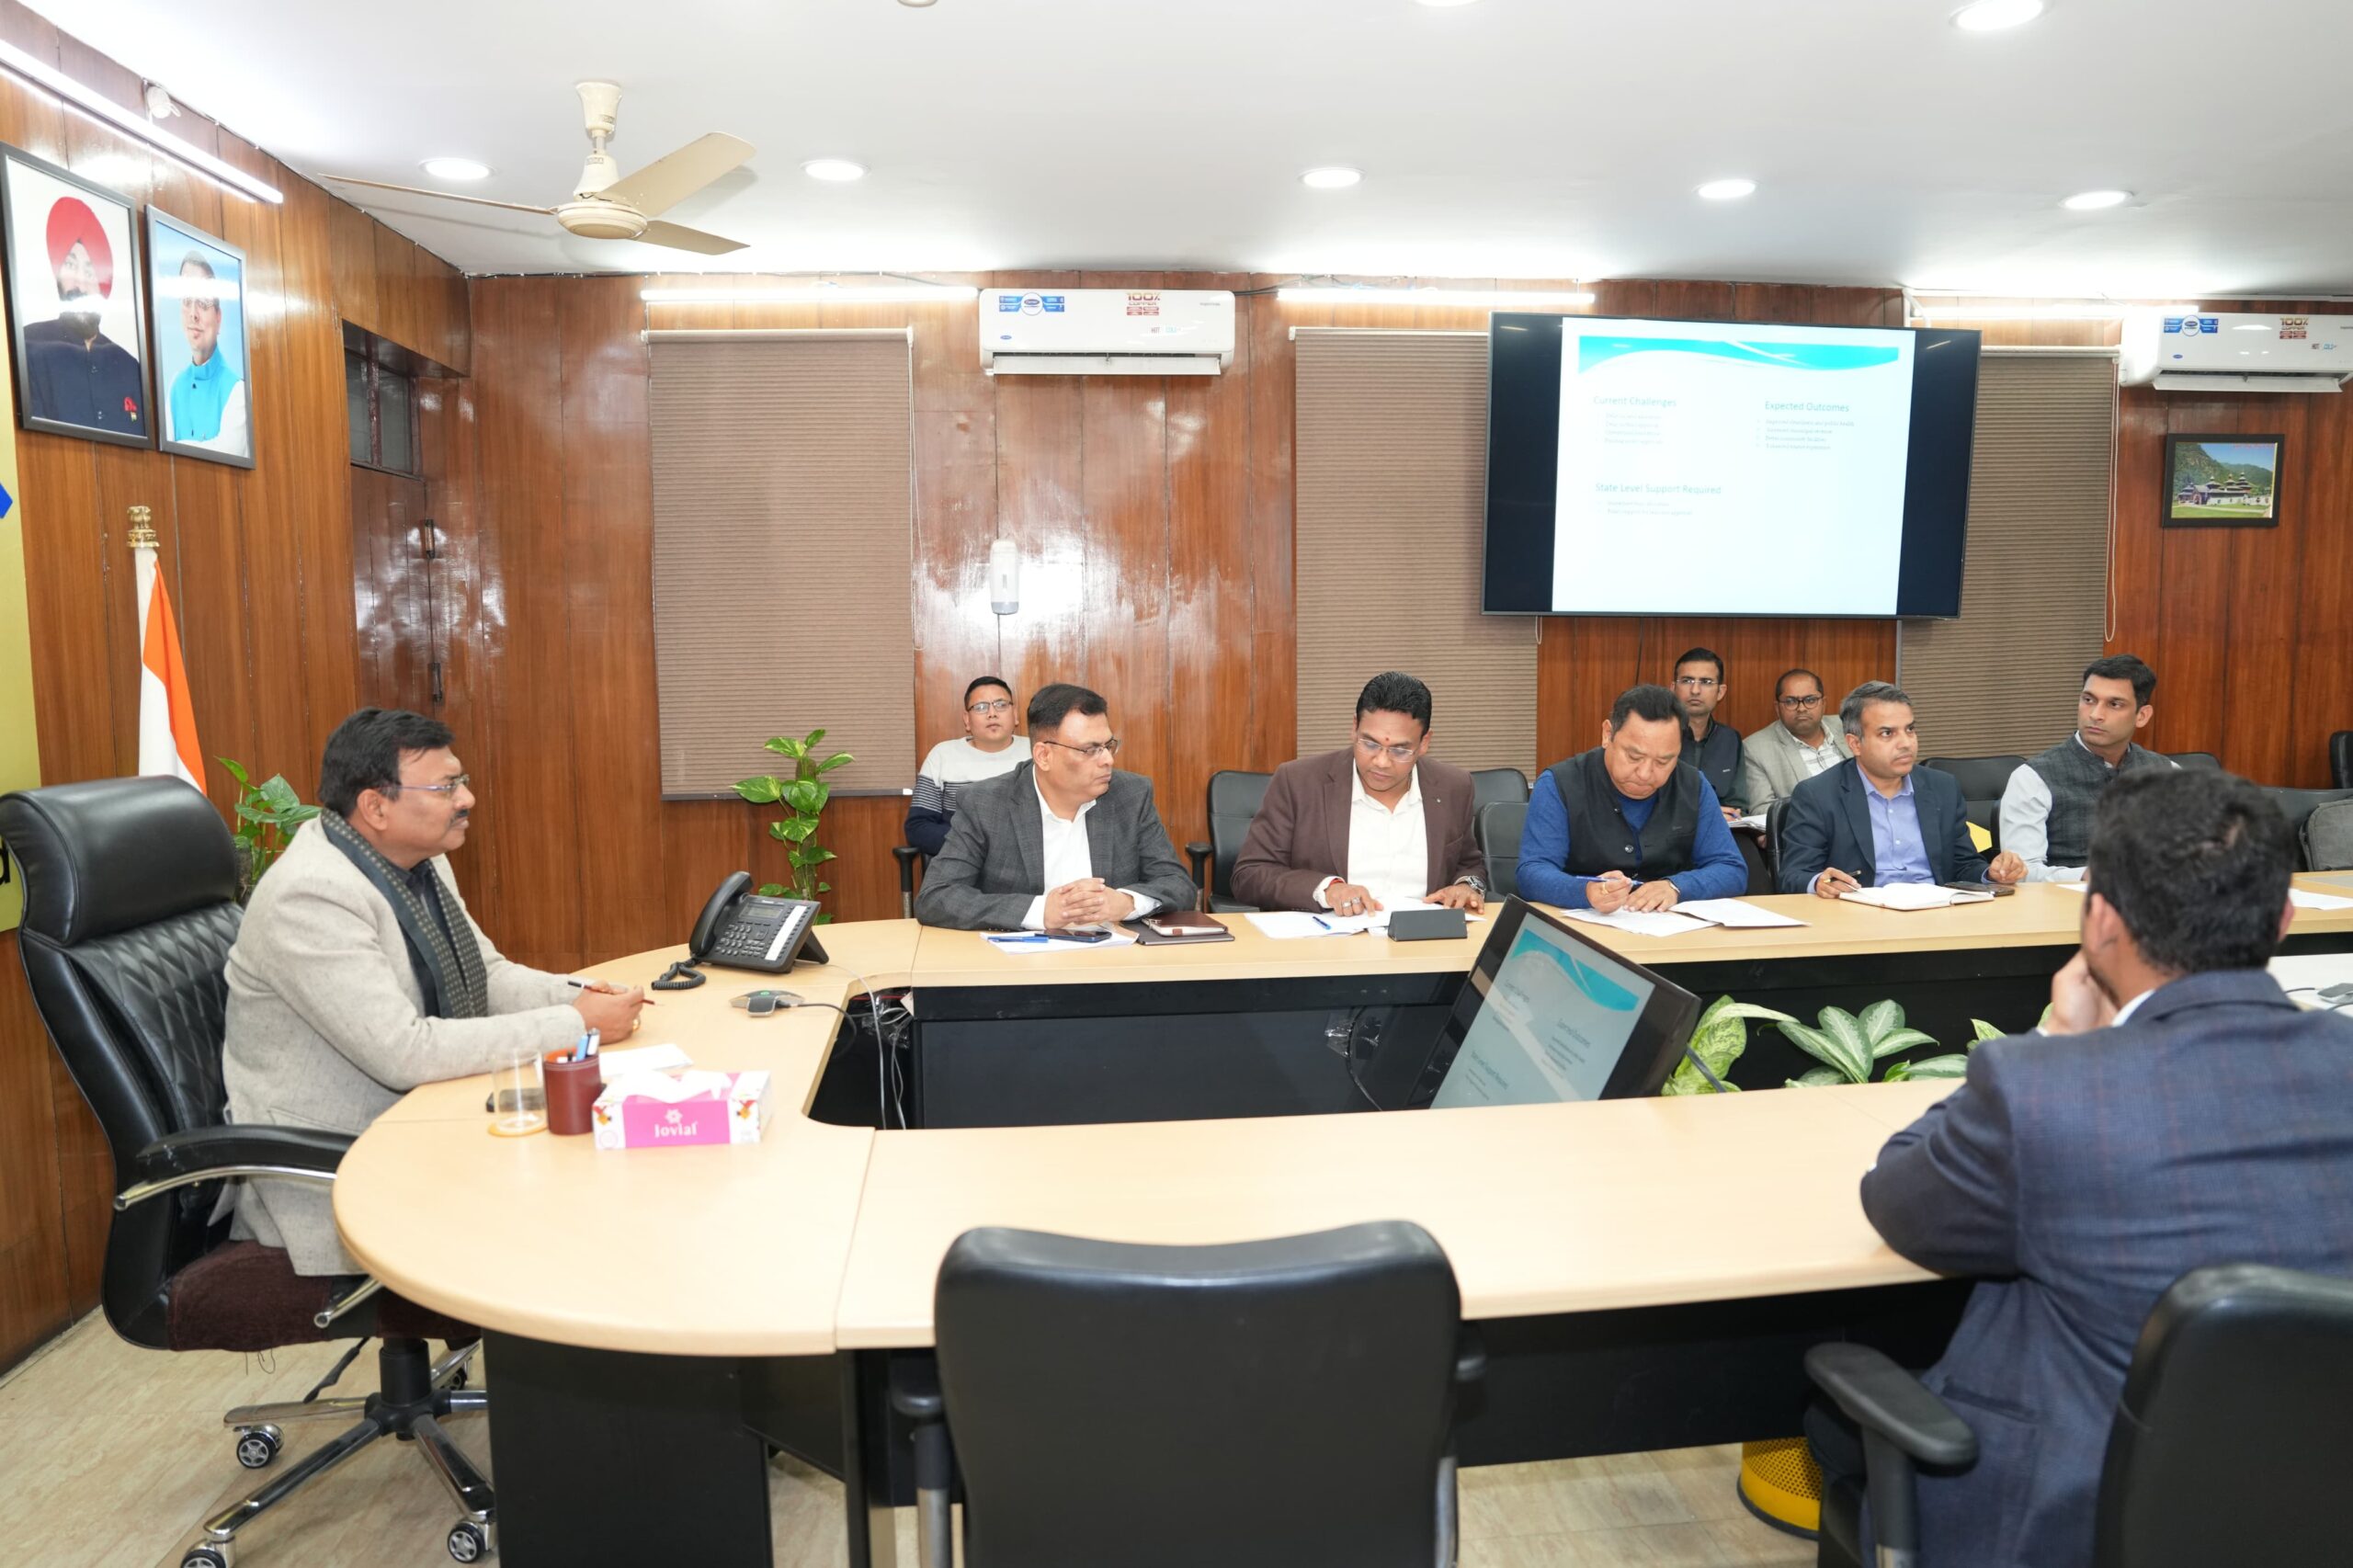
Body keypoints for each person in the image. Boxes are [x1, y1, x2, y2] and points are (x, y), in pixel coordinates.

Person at [1847, 768, 2353, 1568]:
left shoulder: (2047, 1091)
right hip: (2324, 1507)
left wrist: (2056, 1037)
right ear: (2285, 920)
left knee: (1833, 1427)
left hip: (2067, 1525)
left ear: (2100, 922)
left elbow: (1900, 1202)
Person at [222, 709, 646, 1275]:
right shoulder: (312, 895)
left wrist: (578, 994)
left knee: (604, 1177)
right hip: (343, 1174)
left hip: (427, 1128)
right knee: (576, 1225)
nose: (467, 799)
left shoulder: (420, 860)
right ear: (376, 807)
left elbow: (485, 976)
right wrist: (578, 1024)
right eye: (446, 787)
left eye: (460, 781)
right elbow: (404, 1052)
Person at [915, 682, 1196, 931]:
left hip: (1113, 960)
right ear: (1044, 756)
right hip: (1022, 962)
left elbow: (1178, 884)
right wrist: (1040, 912)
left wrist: (1126, 902)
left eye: (1108, 745)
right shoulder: (986, 804)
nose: (1108, 760)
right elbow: (936, 897)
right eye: (1091, 750)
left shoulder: (1130, 795)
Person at [1232, 671, 1487, 914]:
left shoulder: (1454, 786)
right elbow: (1250, 874)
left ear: (1424, 743)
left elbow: (1468, 865)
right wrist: (1326, 889)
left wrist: (1466, 886)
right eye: (1370, 744)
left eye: (1400, 750)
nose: (1382, 762)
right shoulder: (1298, 782)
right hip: (1329, 938)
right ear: (1354, 728)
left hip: (1424, 937)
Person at [1777, 681, 2025, 895]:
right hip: (1860, 916)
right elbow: (1794, 874)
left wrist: (1991, 874)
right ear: (1855, 744)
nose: (1906, 743)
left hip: (1936, 914)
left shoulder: (1943, 788)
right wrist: (1820, 882)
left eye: (1910, 729)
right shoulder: (1818, 795)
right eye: (1887, 733)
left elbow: (1963, 865)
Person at [1516, 684, 1747, 912]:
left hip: (1667, 924)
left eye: (1663, 761)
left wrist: (1676, 887)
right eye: (1634, 757)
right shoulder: (1560, 784)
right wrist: (1585, 891)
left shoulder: (1693, 785)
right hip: (1583, 924)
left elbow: (1731, 869)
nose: (1645, 773)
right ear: (1608, 734)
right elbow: (1532, 872)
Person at [1999, 653, 2176, 882]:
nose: (2095, 715)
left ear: (2141, 716)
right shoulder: (2033, 778)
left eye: (2114, 704)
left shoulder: (2170, 774)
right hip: (2068, 902)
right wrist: (2087, 875)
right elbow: (2023, 874)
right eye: (2089, 700)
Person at [21, 196, 144, 436]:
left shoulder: (131, 368)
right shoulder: (27, 345)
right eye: (70, 266)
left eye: (90, 271)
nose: (80, 283)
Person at [904, 675, 1031, 857]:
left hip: (1024, 861)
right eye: (981, 707)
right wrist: (975, 846)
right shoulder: (943, 755)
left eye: (1001, 705)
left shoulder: (1037, 752)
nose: (992, 713)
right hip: (962, 859)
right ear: (967, 720)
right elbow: (918, 827)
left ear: (1015, 714)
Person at [165, 252, 250, 454]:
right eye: (187, 301)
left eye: (203, 303)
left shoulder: (236, 390)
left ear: (218, 317)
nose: (193, 314)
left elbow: (228, 453)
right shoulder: (176, 386)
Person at [1738, 666, 1848, 812]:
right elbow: (1763, 810)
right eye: (1790, 701)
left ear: (1823, 703)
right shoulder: (1755, 749)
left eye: (1810, 700)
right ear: (1777, 708)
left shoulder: (1847, 727)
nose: (1801, 708)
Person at [1671, 646, 1745, 817]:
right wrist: (1706, 815)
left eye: (1706, 682)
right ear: (1673, 688)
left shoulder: (1730, 739)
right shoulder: (1655, 736)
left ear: (1720, 692)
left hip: (1723, 828)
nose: (1695, 690)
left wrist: (1732, 816)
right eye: (1687, 681)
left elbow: (1739, 804)